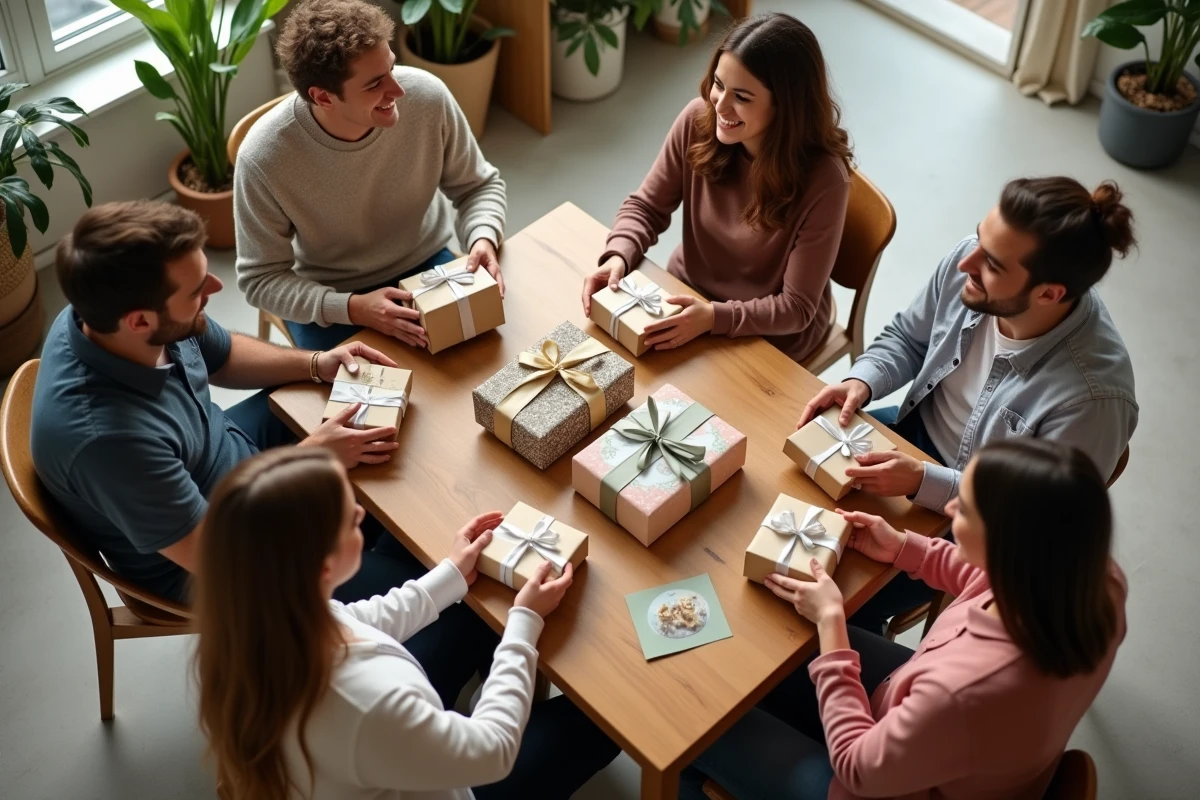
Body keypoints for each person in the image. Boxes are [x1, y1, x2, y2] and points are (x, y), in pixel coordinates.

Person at [679, 439, 1127, 800]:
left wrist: (834, 624)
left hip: (868, 781)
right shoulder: (1093, 582)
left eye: (965, 509)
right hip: (925, 726)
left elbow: (857, 769)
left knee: (692, 724)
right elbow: (989, 576)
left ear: (1007, 546)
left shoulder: (962, 695)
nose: (949, 511)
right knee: (765, 644)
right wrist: (900, 548)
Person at [798, 176, 1139, 634]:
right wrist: (863, 380)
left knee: (829, 609)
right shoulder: (976, 265)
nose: (965, 262)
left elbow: (1033, 524)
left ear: (1049, 293)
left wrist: (923, 480)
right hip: (906, 437)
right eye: (979, 237)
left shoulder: (1093, 402)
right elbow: (907, 337)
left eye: (992, 263)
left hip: (973, 527)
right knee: (784, 500)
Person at [32, 203, 409, 609]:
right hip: (223, 561)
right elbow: (216, 552)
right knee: (427, 586)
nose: (215, 287)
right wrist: (313, 458)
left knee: (381, 443)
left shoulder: (109, 310)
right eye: (197, 290)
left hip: (219, 452)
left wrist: (317, 364)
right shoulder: (108, 443)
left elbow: (222, 355)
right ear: (139, 322)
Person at [195, 447, 620, 799]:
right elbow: (493, 750)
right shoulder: (367, 703)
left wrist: (451, 574)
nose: (362, 513)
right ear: (323, 566)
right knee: (607, 720)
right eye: (351, 518)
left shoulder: (263, 619)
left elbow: (366, 619)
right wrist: (524, 624)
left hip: (376, 759)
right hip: (461, 782)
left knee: (473, 621)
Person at [234, 0, 508, 353]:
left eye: (392, 68)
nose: (398, 91)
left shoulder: (428, 97)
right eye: (376, 83)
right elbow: (261, 279)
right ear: (323, 97)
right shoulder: (263, 159)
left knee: (488, 362)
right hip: (333, 298)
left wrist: (482, 238)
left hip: (426, 263)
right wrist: (353, 308)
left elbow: (478, 186)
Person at [581, 12, 852, 364]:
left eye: (741, 96)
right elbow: (647, 206)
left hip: (769, 332)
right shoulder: (698, 122)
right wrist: (618, 255)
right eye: (719, 84)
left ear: (785, 105)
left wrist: (714, 318)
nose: (720, 105)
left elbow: (796, 307)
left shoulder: (825, 181)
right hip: (687, 293)